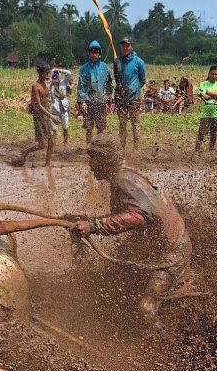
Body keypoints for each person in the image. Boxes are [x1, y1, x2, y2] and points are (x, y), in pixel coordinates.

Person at [71, 133, 193, 318]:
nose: (90, 164)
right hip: (164, 245)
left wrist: (94, 225)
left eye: (93, 158)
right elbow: (126, 215)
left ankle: (163, 335)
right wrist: (88, 220)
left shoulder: (122, 180)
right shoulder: (127, 175)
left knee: (146, 309)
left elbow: (138, 216)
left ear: (104, 159)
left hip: (172, 253)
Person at [13, 58, 54, 166]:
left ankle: (47, 165)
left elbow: (46, 100)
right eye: (46, 73)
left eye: (48, 73)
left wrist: (50, 113)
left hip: (46, 115)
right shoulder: (35, 86)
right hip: (39, 116)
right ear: (40, 73)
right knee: (42, 145)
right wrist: (52, 116)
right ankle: (25, 152)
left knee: (52, 142)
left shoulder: (46, 84)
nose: (48, 75)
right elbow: (38, 105)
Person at [114, 35, 146, 150]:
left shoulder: (139, 62)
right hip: (120, 98)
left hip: (134, 98)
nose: (125, 48)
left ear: (131, 46)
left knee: (135, 123)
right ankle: (122, 148)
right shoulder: (117, 62)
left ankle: (136, 148)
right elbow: (116, 78)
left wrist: (134, 88)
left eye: (127, 45)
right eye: (123, 46)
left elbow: (143, 80)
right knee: (122, 124)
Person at [77, 40, 112, 144]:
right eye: (92, 52)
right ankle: (89, 147)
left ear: (99, 53)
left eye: (96, 52)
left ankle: (99, 147)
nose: (94, 54)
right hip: (88, 103)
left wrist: (107, 96)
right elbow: (81, 86)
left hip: (101, 102)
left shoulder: (104, 67)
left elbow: (109, 84)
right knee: (89, 128)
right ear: (89, 53)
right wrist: (82, 101)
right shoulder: (84, 68)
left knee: (101, 128)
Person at [194, 65, 217, 150]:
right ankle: (197, 150)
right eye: (212, 74)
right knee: (201, 133)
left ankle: (211, 150)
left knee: (214, 133)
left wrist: (209, 92)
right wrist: (215, 95)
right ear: (209, 74)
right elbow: (205, 97)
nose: (214, 76)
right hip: (205, 113)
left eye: (216, 74)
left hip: (216, 113)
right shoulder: (203, 84)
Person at [50, 70, 71, 145]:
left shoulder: (64, 82)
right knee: (53, 128)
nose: (55, 80)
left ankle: (65, 143)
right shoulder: (51, 86)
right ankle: (53, 143)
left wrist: (59, 70)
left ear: (59, 78)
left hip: (64, 109)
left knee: (65, 127)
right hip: (55, 110)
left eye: (56, 78)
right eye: (54, 78)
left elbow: (69, 73)